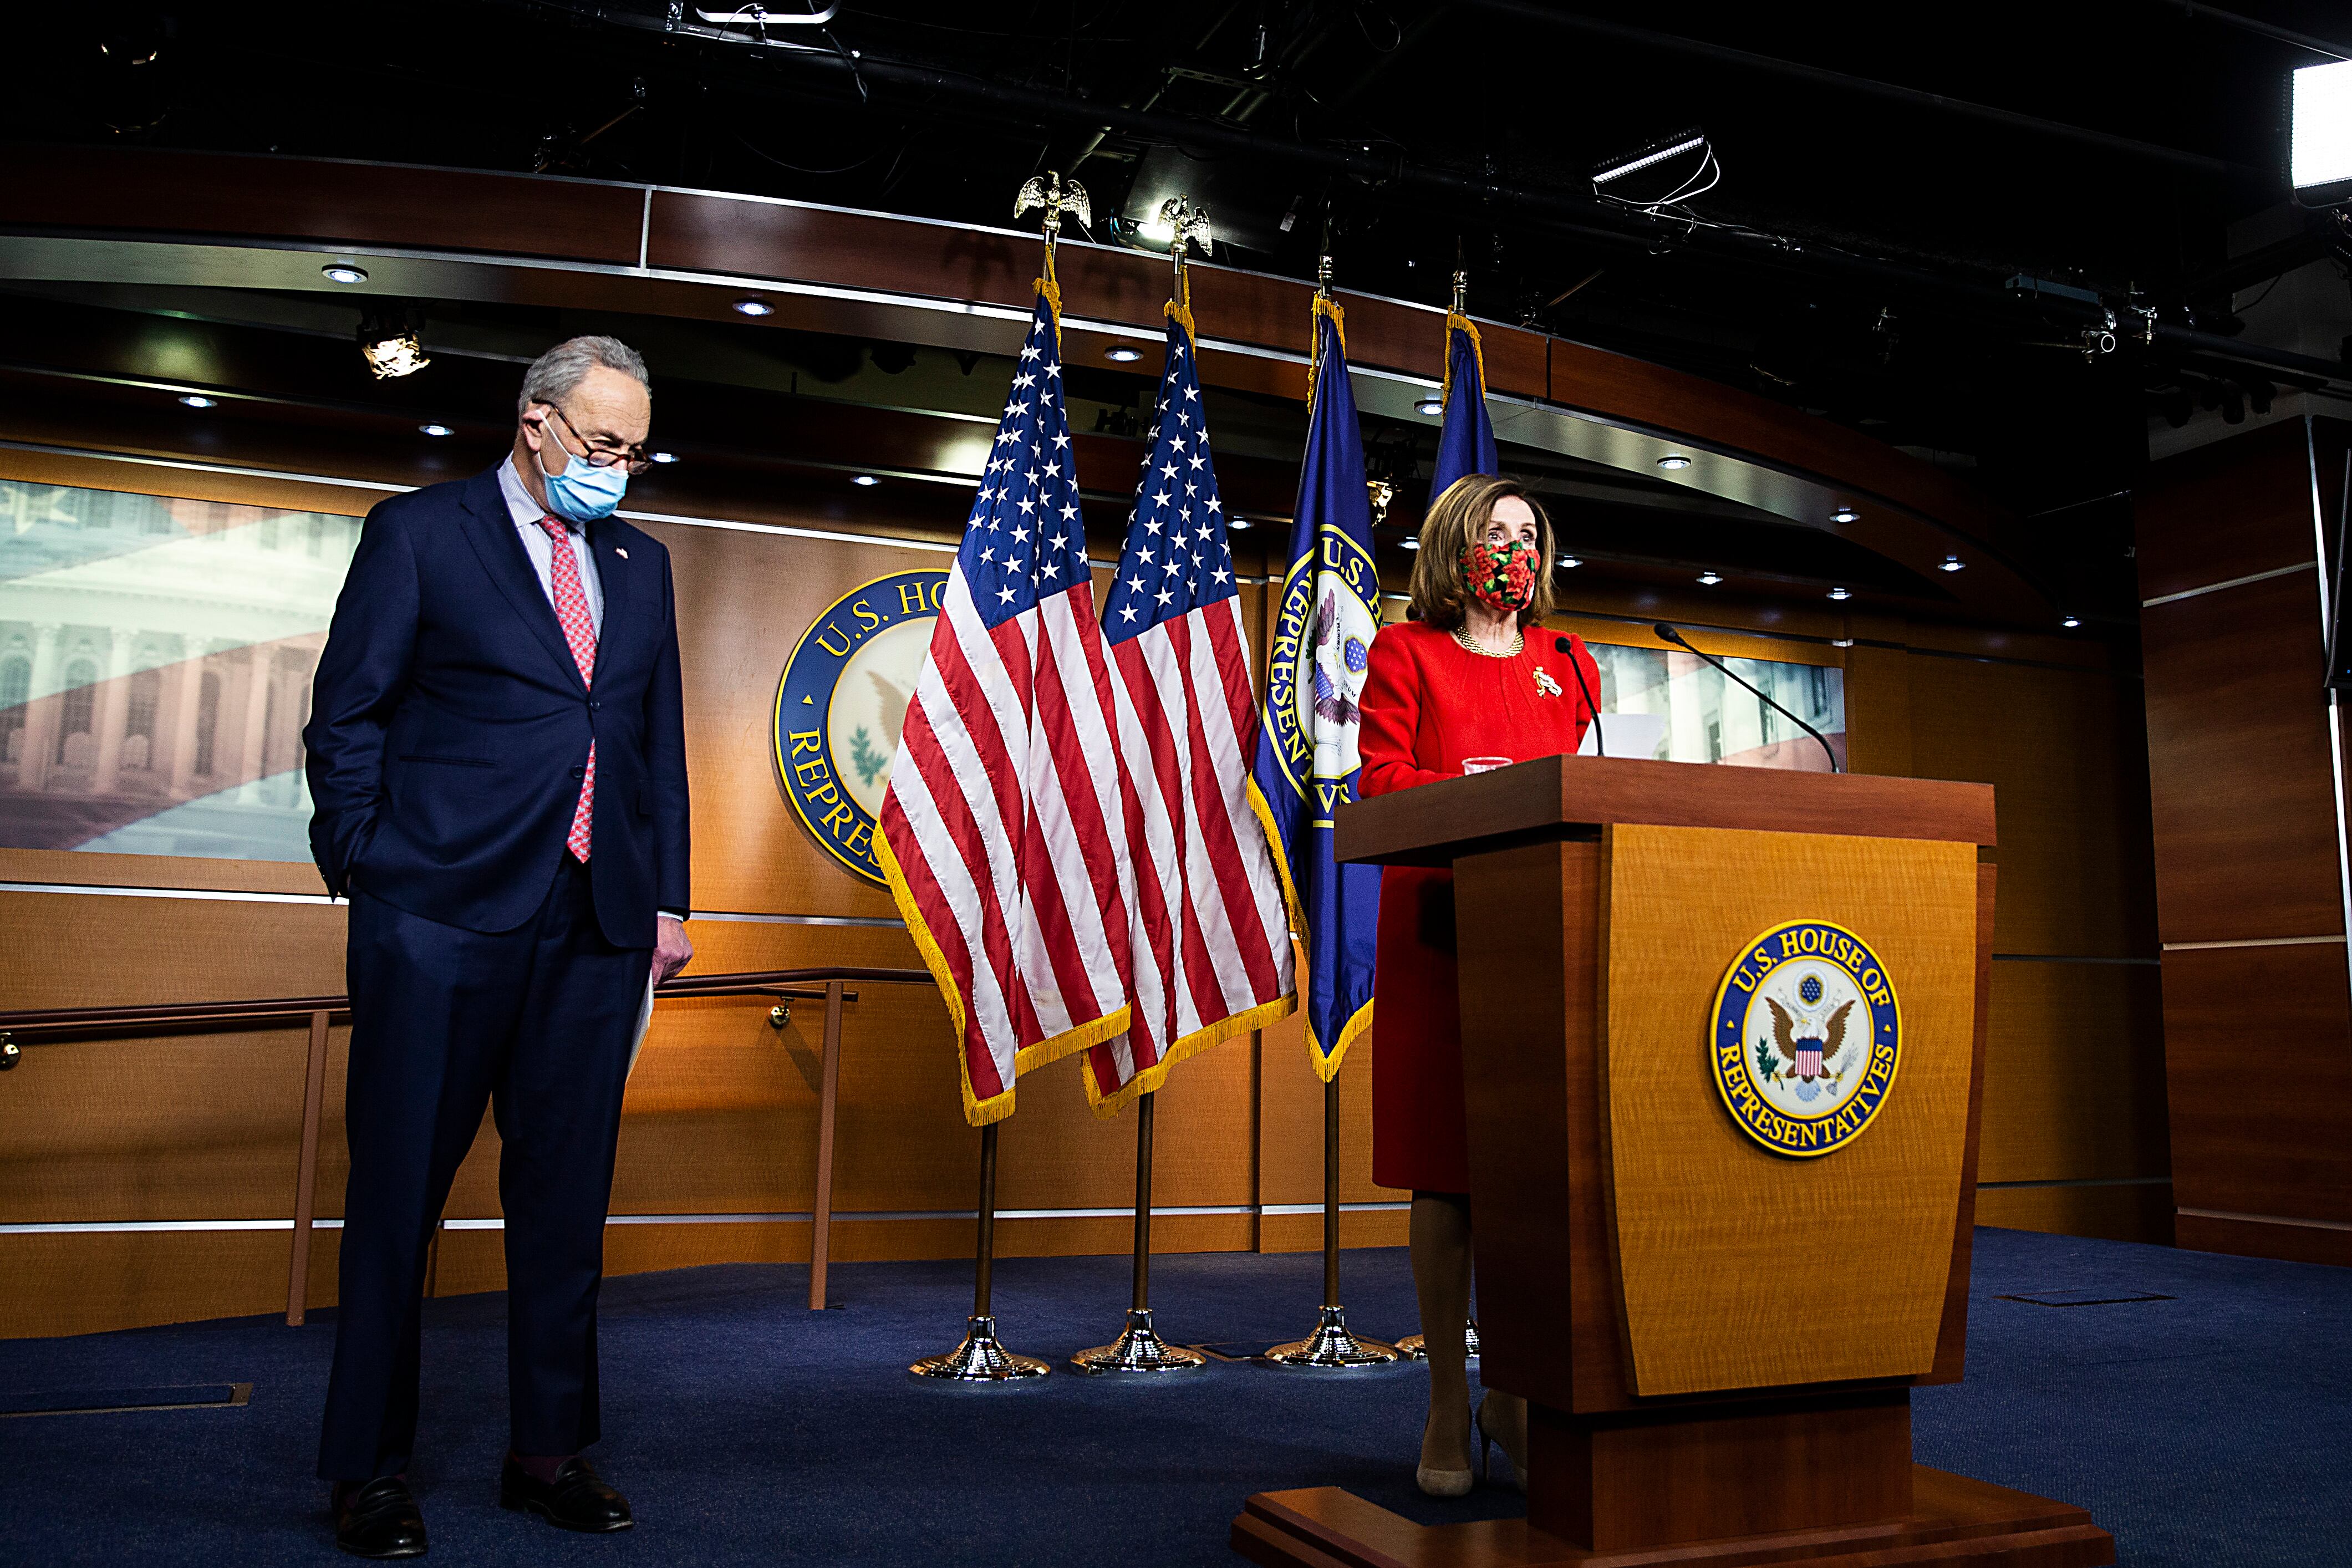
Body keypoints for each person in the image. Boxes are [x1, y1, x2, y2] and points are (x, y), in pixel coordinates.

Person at [302, 335, 695, 1558]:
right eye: (602, 442)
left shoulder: (643, 563)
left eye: (635, 449)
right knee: (397, 1202)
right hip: (438, 919)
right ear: (535, 421)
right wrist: (373, 864)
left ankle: (549, 1454)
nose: (620, 468)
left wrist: (668, 901)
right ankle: (369, 1471)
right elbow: (346, 713)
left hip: (593, 926)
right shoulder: (419, 533)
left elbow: (652, 749)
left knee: (567, 1206)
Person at [1357, 473, 1598, 1498]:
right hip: (1440, 931)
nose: (1515, 550)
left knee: (1530, 1176)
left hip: (1542, 930)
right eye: (1495, 532)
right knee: (1447, 1172)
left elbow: (1591, 785)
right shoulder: (1403, 651)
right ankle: (1447, 1403)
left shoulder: (1569, 662)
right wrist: (1479, 786)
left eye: (1529, 535)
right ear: (1454, 547)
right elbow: (1377, 782)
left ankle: (1515, 1390)